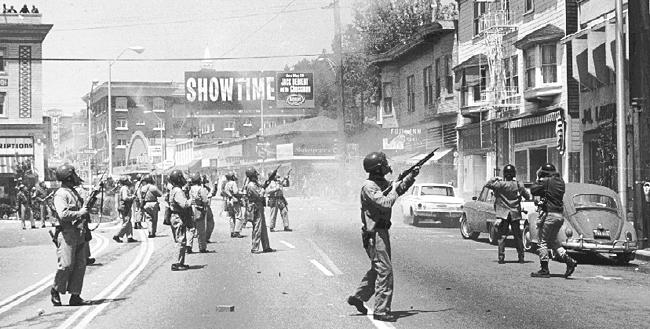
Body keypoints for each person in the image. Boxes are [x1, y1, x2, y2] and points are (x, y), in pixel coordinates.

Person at [347, 151, 419, 322]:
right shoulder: (369, 186)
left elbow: (397, 190)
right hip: (375, 234)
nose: (387, 166)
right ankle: (381, 310)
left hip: (382, 232)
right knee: (385, 271)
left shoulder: (381, 183)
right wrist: (393, 188)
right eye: (384, 163)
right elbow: (386, 202)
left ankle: (359, 297)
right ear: (378, 168)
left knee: (378, 269)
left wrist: (410, 176)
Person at [50, 164, 93, 306]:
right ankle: (56, 290)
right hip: (67, 234)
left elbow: (83, 208)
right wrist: (80, 213)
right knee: (66, 265)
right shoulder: (61, 194)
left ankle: (75, 295)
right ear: (68, 177)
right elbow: (63, 214)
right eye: (73, 174)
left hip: (79, 233)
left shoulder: (73, 191)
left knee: (80, 265)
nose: (75, 177)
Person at [529, 163, 577, 278]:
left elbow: (533, 190)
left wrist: (538, 178)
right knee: (553, 242)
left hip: (549, 215)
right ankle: (569, 261)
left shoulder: (546, 182)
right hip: (559, 216)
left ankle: (544, 269)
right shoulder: (561, 182)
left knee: (542, 242)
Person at [484, 164, 531, 264]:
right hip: (515, 213)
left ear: (504, 174)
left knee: (502, 236)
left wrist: (494, 178)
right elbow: (527, 196)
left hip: (502, 214)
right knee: (518, 236)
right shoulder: (519, 184)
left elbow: (487, 184)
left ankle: (501, 258)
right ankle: (521, 257)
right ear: (514, 174)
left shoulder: (500, 184)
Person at [244, 167, 274, 253]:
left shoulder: (255, 183)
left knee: (263, 227)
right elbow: (259, 195)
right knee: (257, 227)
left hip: (259, 206)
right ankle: (255, 247)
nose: (257, 177)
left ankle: (266, 247)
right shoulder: (251, 185)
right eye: (255, 175)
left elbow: (262, 186)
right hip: (255, 207)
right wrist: (264, 190)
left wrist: (268, 182)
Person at [167, 170, 191, 271]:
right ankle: (177, 263)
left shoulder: (174, 189)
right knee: (181, 240)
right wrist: (191, 201)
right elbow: (184, 204)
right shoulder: (177, 191)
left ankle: (180, 262)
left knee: (179, 239)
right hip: (178, 216)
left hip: (175, 216)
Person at [188, 172, 210, 253]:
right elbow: (205, 200)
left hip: (191, 209)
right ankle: (202, 247)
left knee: (191, 229)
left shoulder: (191, 189)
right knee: (201, 230)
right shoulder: (201, 189)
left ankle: (188, 245)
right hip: (199, 209)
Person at [113, 176, 137, 243]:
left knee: (128, 222)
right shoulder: (124, 188)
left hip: (125, 207)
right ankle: (117, 235)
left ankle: (129, 237)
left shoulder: (125, 188)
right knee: (126, 222)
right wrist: (132, 197)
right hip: (125, 207)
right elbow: (125, 198)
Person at [223, 171, 244, 238]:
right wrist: (241, 193)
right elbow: (235, 192)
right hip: (234, 200)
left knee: (232, 217)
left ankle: (232, 231)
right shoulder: (233, 183)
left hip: (229, 201)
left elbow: (225, 192)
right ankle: (237, 231)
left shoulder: (227, 184)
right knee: (239, 216)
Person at [202, 175, 215, 242]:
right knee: (207, 224)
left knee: (210, 223)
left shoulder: (206, 188)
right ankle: (204, 239)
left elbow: (212, 193)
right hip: (203, 207)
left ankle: (205, 238)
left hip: (205, 207)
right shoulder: (203, 189)